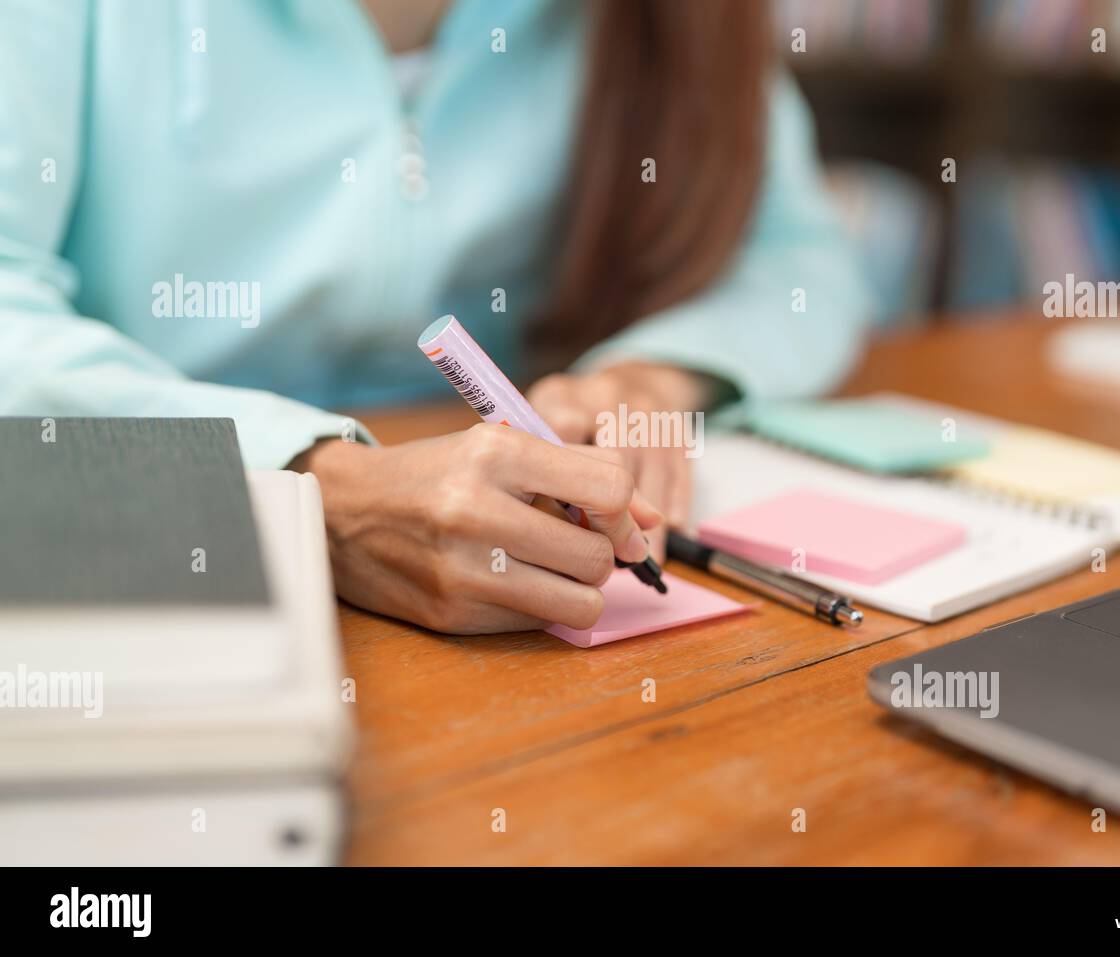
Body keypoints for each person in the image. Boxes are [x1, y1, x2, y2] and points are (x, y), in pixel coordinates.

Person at [0, 0, 870, 633]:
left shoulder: (674, 26)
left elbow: (801, 259)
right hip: (141, 542)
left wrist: (651, 371)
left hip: (499, 554)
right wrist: (312, 486)